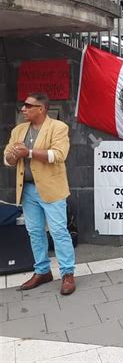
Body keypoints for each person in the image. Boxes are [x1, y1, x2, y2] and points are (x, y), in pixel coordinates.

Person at [3, 93, 76, 295]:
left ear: (41, 109)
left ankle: (68, 273)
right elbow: (7, 160)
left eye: (28, 106)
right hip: (26, 189)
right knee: (34, 232)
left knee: (59, 232)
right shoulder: (18, 130)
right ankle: (42, 271)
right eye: (23, 106)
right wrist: (12, 155)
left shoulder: (58, 128)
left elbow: (59, 155)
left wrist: (29, 153)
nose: (23, 109)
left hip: (51, 189)